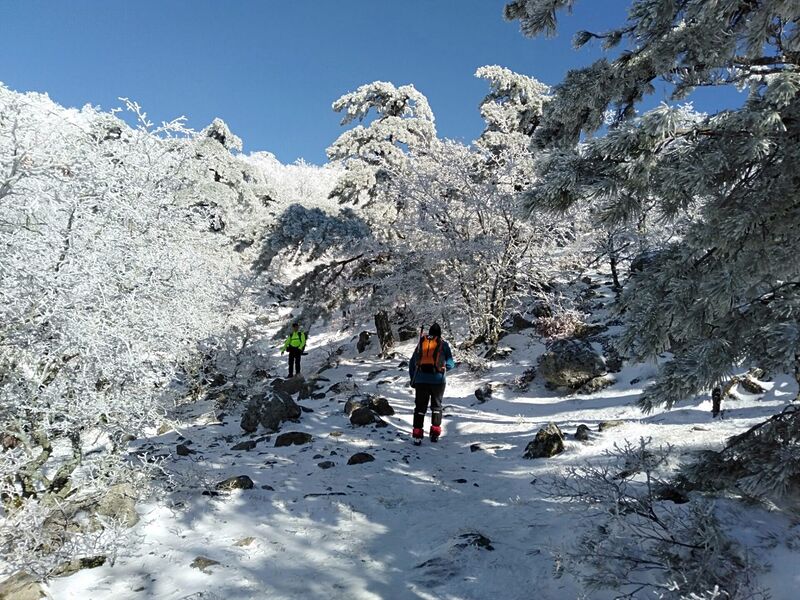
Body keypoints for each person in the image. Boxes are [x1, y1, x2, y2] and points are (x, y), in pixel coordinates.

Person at [408, 323, 455, 445]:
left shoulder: (421, 343)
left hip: (421, 380)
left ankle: (417, 435)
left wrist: (414, 378)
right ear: (439, 334)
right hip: (438, 381)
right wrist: (442, 369)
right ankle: (434, 434)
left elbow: (412, 363)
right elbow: (451, 363)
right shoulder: (443, 345)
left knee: (420, 407)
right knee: (436, 406)